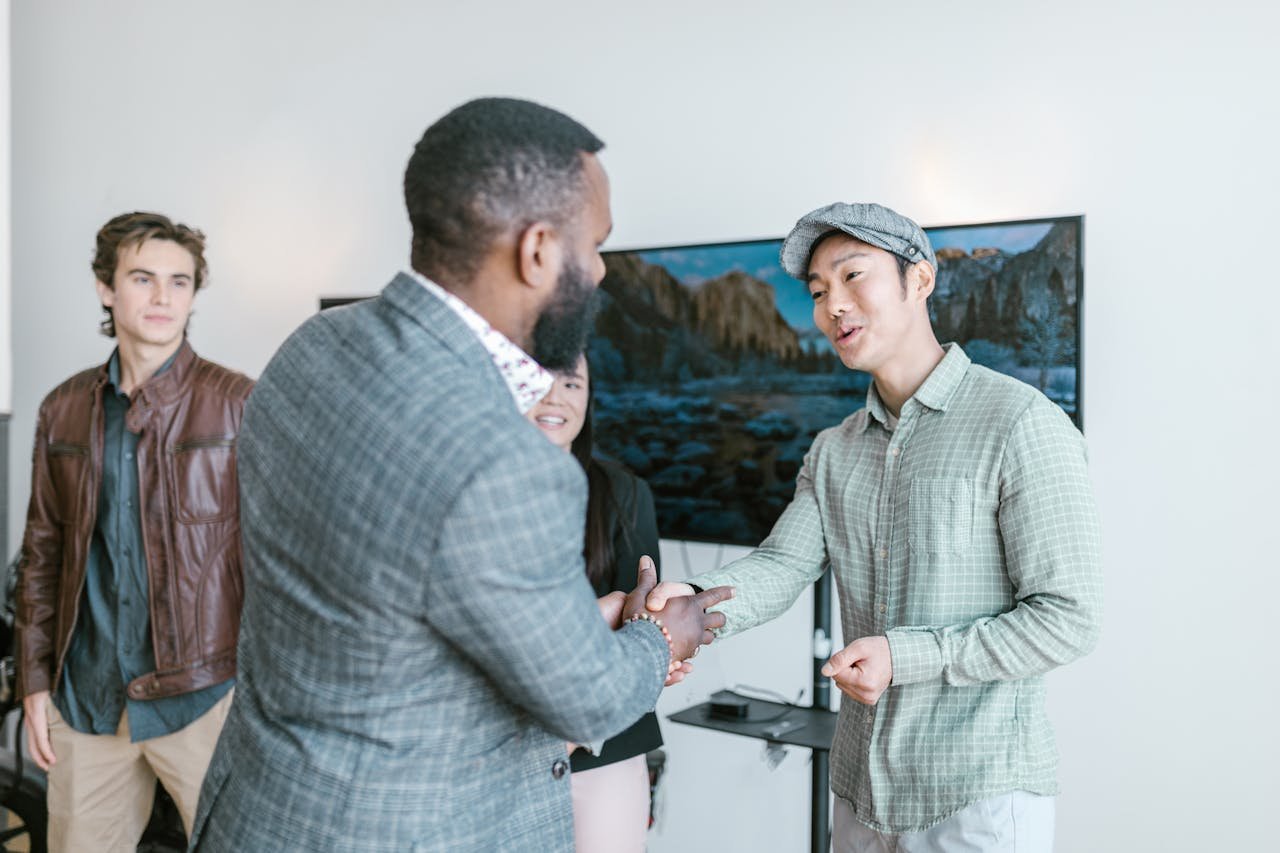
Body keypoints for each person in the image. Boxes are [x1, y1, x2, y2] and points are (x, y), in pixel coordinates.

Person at [189, 97, 730, 853]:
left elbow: (386, 604)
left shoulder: (310, 348)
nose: (603, 270)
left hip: (261, 813)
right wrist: (658, 635)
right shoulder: (506, 461)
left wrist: (580, 625)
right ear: (538, 251)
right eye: (597, 244)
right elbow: (591, 701)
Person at [648, 202, 1103, 851]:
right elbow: (780, 566)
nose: (833, 305)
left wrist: (905, 655)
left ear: (920, 280)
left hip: (979, 795)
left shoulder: (1021, 423)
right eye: (817, 291)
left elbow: (1069, 616)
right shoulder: (834, 448)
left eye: (853, 275)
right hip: (861, 791)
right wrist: (691, 606)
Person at [14, 212, 252, 851]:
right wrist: (35, 684)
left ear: (194, 295)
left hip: (207, 697)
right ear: (105, 288)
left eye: (179, 282)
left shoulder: (237, 403)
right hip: (88, 699)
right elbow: (41, 553)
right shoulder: (62, 410)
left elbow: (280, 559)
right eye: (142, 278)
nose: (161, 297)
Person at [526, 353, 663, 852]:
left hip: (603, 750)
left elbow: (645, 628)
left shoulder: (623, 494)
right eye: (539, 381)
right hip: (502, 750)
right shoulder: (479, 493)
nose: (555, 397)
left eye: (572, 383)